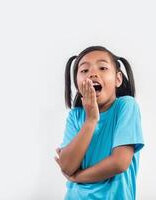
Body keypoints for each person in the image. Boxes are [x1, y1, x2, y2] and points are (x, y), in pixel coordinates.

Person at [54, 45, 145, 199]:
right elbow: (67, 166)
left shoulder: (126, 106)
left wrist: (78, 177)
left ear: (118, 79)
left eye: (103, 68)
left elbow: (119, 163)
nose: (93, 74)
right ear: (77, 83)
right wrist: (91, 120)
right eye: (84, 70)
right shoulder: (75, 116)